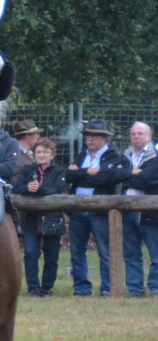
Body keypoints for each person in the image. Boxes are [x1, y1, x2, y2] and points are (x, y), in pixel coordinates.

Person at [66, 118, 128, 296]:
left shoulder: (113, 156)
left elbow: (106, 178)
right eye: (87, 136)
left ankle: (107, 288)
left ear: (103, 138)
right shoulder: (82, 154)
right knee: (77, 252)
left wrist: (80, 174)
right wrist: (86, 171)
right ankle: (81, 288)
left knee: (104, 251)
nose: (90, 139)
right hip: (77, 211)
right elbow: (69, 176)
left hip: (99, 211)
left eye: (94, 136)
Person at [12, 136, 65, 295]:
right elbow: (16, 189)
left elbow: (58, 189)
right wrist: (28, 187)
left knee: (51, 256)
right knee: (30, 253)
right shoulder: (28, 170)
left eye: (45, 152)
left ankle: (46, 287)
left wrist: (39, 189)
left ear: (52, 155)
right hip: (30, 220)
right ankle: (33, 287)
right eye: (38, 152)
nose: (41, 155)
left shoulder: (59, 171)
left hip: (52, 220)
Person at [120, 121, 158, 296]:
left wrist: (125, 175)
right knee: (131, 253)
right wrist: (133, 173)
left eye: (140, 133)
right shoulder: (125, 155)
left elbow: (147, 180)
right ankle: (135, 289)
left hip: (149, 210)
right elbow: (113, 176)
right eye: (133, 134)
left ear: (149, 136)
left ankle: (155, 287)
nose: (136, 136)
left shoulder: (156, 155)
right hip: (127, 210)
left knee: (156, 254)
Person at [0, 118, 40, 184]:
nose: (38, 137)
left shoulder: (34, 154)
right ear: (27, 136)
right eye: (36, 134)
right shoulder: (13, 155)